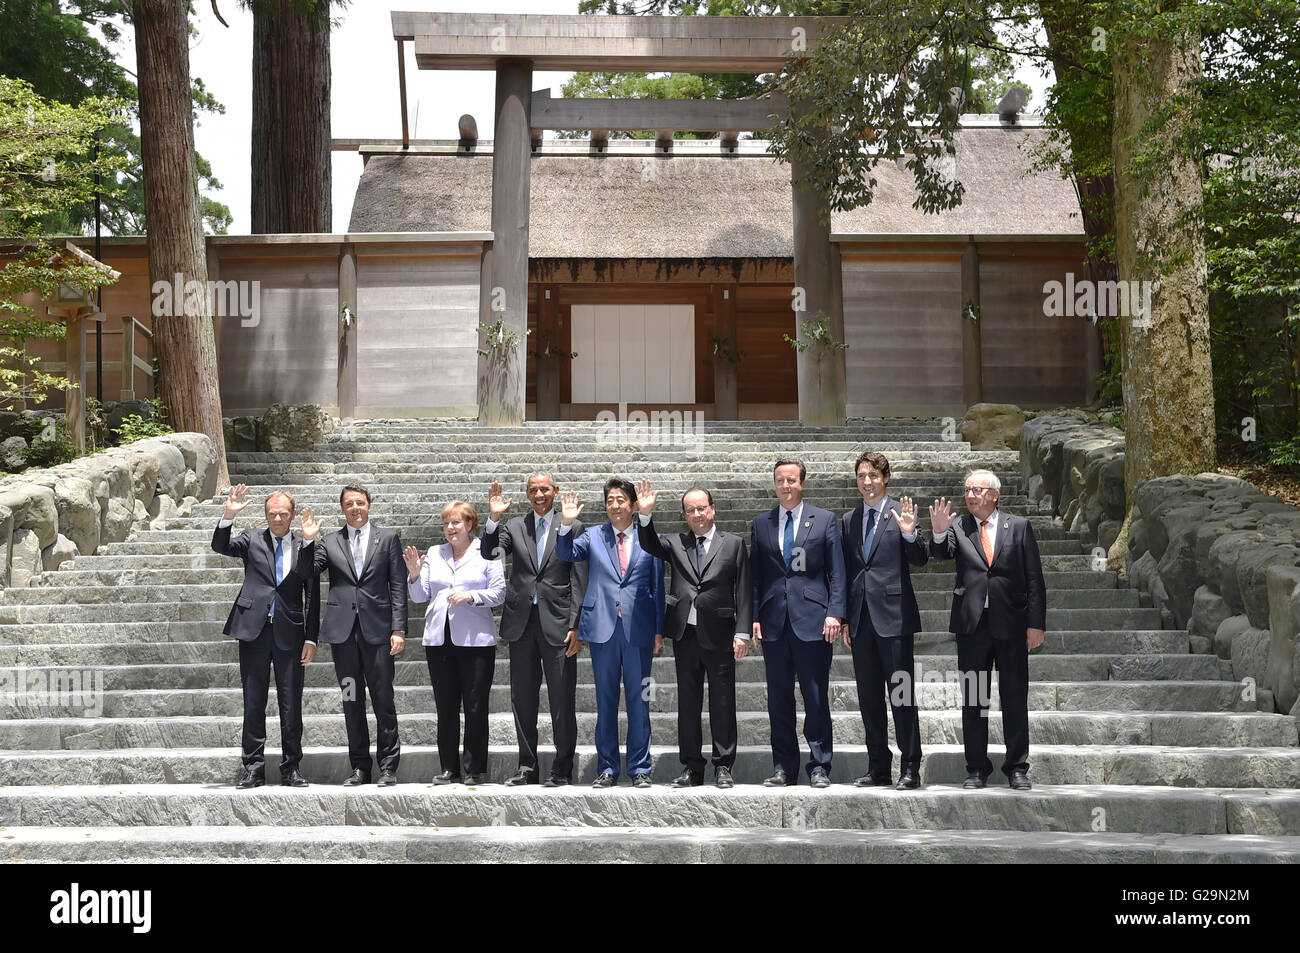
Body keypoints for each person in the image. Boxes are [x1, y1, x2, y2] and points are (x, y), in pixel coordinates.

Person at [929, 469, 1046, 790]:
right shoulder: (959, 526)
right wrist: (938, 532)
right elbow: (941, 553)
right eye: (967, 490)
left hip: (1011, 624)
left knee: (1014, 697)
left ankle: (1017, 768)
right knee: (974, 699)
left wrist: (1036, 624)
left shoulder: (1019, 527)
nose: (970, 496)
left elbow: (1034, 579)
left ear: (995, 494)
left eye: (977, 490)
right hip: (972, 627)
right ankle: (977, 768)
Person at [635, 480, 752, 789]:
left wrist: (743, 632)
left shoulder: (733, 543)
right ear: (684, 515)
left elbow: (743, 591)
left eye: (702, 508)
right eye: (691, 510)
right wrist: (645, 515)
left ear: (712, 510)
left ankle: (723, 765)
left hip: (721, 633)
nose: (697, 514)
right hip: (685, 633)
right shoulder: (675, 542)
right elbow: (649, 544)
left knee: (722, 701)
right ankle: (691, 767)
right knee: (688, 703)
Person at [555, 478, 665, 788]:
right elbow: (566, 553)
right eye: (610, 500)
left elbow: (658, 586)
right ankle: (607, 768)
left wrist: (658, 630)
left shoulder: (649, 539)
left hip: (639, 632)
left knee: (640, 699)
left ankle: (640, 768)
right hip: (602, 630)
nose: (614, 505)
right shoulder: (592, 535)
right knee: (605, 702)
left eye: (620, 500)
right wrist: (566, 523)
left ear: (632, 505)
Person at [481, 473, 588, 787]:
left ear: (554, 491)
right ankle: (527, 767)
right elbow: (489, 552)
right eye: (533, 490)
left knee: (561, 699)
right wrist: (493, 519)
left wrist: (576, 625)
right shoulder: (515, 527)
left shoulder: (574, 526)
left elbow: (580, 580)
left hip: (559, 625)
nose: (539, 494)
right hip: (522, 624)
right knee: (522, 699)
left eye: (544, 489)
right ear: (527, 494)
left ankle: (562, 768)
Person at [297, 485, 407, 787]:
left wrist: (399, 629)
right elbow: (307, 572)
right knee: (351, 698)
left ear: (369, 505)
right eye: (349, 504)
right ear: (342, 509)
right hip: (343, 637)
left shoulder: (388, 539)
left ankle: (388, 766)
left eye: (360, 502)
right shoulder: (329, 542)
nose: (355, 508)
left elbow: (398, 585)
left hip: (379, 634)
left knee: (384, 698)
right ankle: (359, 766)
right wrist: (308, 541)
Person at [212, 484, 319, 789]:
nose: (277, 518)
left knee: (291, 704)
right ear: (265, 515)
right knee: (253, 701)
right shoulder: (251, 539)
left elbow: (312, 595)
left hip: (291, 634)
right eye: (272, 513)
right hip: (254, 631)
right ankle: (253, 768)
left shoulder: (306, 546)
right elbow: (221, 546)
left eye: (283, 514)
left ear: (293, 515)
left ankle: (291, 767)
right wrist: (228, 515)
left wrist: (311, 638)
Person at [750, 459, 846, 788]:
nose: (786, 486)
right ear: (774, 484)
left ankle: (819, 765)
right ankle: (784, 768)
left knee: (815, 696)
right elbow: (756, 576)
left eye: (792, 480)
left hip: (814, 621)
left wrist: (835, 612)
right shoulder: (761, 524)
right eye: (780, 480)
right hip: (774, 623)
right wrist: (753, 617)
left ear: (802, 483)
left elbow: (837, 571)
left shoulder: (825, 520)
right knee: (778, 699)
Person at [841, 451, 927, 790]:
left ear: (885, 478)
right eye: (861, 476)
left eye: (873, 476)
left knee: (902, 695)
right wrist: (847, 618)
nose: (867, 482)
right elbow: (849, 571)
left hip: (895, 618)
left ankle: (910, 767)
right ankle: (878, 766)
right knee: (868, 698)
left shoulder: (901, 513)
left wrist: (909, 534)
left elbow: (921, 558)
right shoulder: (849, 519)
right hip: (861, 620)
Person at [405, 501, 505, 785]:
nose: (451, 528)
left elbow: (499, 593)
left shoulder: (486, 552)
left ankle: (474, 769)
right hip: (439, 639)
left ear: (470, 524)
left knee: (475, 705)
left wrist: (471, 596)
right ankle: (449, 767)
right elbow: (419, 595)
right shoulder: (435, 553)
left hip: (475, 640)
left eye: (457, 522)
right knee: (446, 706)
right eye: (447, 522)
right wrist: (413, 573)